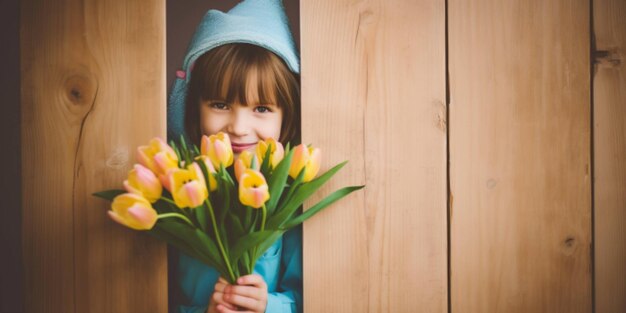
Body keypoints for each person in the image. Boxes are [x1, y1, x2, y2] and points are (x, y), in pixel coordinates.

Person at [166, 1, 302, 312]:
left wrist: (268, 306)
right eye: (220, 104)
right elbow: (153, 290)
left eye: (262, 108)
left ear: (287, 117)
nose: (239, 128)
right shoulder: (178, 193)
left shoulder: (292, 198)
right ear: (194, 108)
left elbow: (311, 296)